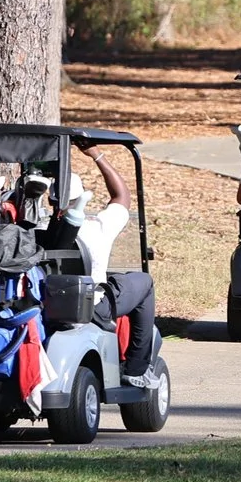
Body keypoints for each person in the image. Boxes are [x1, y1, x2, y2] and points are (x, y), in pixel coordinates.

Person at [67, 143, 160, 387]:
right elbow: (122, 197)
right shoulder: (96, 225)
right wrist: (96, 155)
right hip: (92, 307)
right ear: (81, 197)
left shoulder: (39, 225)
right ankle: (137, 368)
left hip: (49, 302)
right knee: (144, 283)